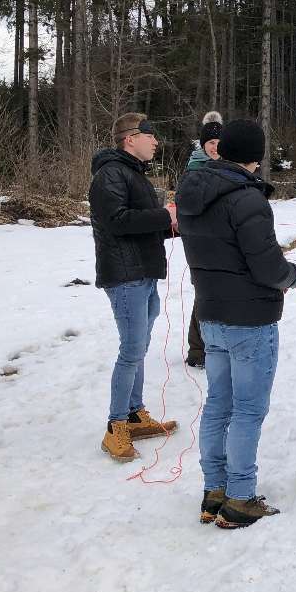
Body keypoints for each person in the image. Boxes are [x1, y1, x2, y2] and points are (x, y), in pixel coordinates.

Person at [176, 119, 296, 528]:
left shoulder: (193, 190)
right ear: (256, 156)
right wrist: (293, 275)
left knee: (219, 405)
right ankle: (239, 499)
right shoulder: (247, 199)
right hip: (248, 320)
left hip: (212, 317)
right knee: (247, 410)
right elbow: (267, 265)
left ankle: (214, 491)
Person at [89, 113, 180, 462]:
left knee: (139, 347)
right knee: (131, 349)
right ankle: (116, 427)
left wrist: (173, 224)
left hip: (143, 272)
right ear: (130, 139)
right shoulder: (110, 174)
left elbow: (141, 223)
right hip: (125, 276)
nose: (156, 141)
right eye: (150, 135)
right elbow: (117, 221)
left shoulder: (132, 173)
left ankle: (134, 413)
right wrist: (163, 216)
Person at [184, 111, 224, 368]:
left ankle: (218, 346)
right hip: (202, 242)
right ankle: (197, 351)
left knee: (222, 295)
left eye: (219, 144)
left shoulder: (229, 166)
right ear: (203, 144)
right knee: (204, 296)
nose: (215, 148)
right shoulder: (194, 170)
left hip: (224, 241)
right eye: (210, 143)